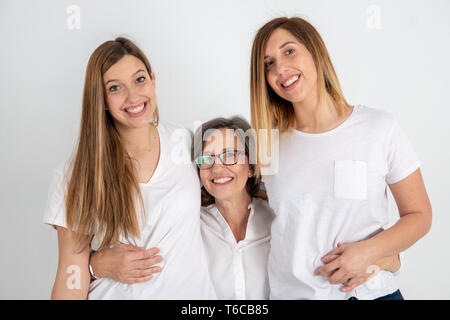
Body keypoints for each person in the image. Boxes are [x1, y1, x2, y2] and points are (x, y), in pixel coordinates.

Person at [90, 116, 401, 299]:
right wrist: (96, 265)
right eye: (207, 158)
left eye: (230, 155)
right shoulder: (187, 225)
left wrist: (378, 259)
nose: (218, 167)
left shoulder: (281, 217)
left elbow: (390, 259)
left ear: (252, 167)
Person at [249, 16, 432, 300]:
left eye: (289, 51)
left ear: (315, 51)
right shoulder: (265, 145)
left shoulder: (378, 127)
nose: (280, 68)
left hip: (370, 295)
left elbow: (419, 216)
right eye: (268, 63)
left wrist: (372, 253)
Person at [43, 37, 216, 299]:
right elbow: (70, 276)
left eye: (139, 80)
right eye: (115, 88)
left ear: (153, 81)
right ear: (100, 99)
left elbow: (229, 186)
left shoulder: (185, 143)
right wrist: (94, 265)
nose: (133, 96)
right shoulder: (75, 174)